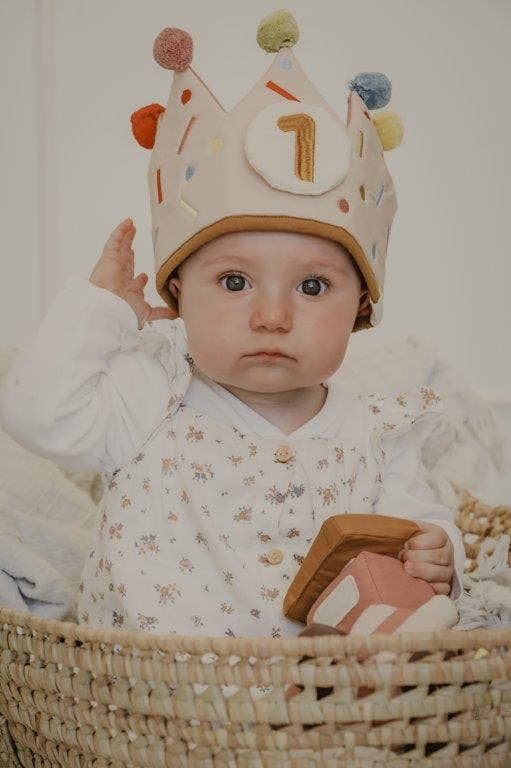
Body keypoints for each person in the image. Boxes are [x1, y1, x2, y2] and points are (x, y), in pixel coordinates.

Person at [0, 10, 466, 638]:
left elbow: (416, 536)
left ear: (361, 308)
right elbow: (33, 413)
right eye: (234, 282)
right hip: (154, 680)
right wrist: (103, 309)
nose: (272, 317)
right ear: (177, 296)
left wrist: (440, 554)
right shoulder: (153, 393)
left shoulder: (378, 435)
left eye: (312, 286)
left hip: (317, 691)